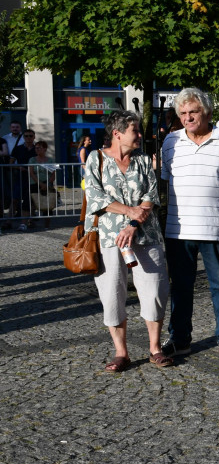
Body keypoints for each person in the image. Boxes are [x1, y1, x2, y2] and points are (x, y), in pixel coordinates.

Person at [160, 88, 219, 360]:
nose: (188, 117)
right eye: (183, 113)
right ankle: (180, 338)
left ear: (207, 113)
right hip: (179, 228)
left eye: (193, 112)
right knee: (181, 286)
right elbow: (165, 181)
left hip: (217, 227)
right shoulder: (170, 142)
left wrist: (215, 201)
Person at [85, 110, 172, 372]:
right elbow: (95, 197)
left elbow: (152, 194)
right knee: (112, 292)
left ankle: (155, 348)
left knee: (155, 289)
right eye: (135, 130)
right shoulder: (95, 159)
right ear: (117, 133)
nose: (139, 135)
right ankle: (121, 352)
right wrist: (128, 211)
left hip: (145, 234)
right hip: (109, 237)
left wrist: (135, 220)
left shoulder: (144, 160)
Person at [27, 140, 57, 228]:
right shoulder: (32, 159)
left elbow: (53, 174)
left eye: (39, 148)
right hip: (35, 183)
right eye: (36, 148)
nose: (37, 150)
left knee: (47, 204)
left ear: (44, 149)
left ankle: (47, 225)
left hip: (47, 183)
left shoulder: (51, 160)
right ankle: (30, 221)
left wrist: (47, 184)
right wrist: (40, 184)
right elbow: (32, 173)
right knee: (32, 202)